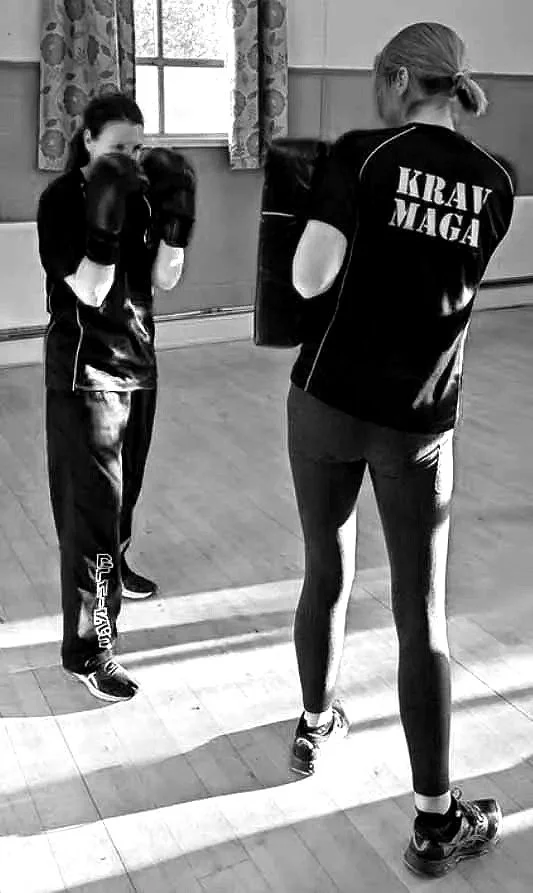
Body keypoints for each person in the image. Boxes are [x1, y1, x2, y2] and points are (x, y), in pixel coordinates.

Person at [286, 22, 515, 877]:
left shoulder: (361, 156)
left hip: (324, 401)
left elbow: (310, 278)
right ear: (453, 87)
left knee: (325, 565)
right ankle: (432, 820)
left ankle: (314, 723)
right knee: (421, 612)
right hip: (418, 418)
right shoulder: (497, 181)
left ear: (394, 80)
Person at [37, 92, 196, 702]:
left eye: (139, 145)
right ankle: (90, 649)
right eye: (120, 147)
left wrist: (176, 227)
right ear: (88, 142)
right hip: (85, 374)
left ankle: (116, 565)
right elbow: (87, 288)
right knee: (89, 516)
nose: (133, 157)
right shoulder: (61, 200)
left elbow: (162, 279)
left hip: (138, 364)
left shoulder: (143, 192)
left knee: (122, 497)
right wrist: (104, 225)